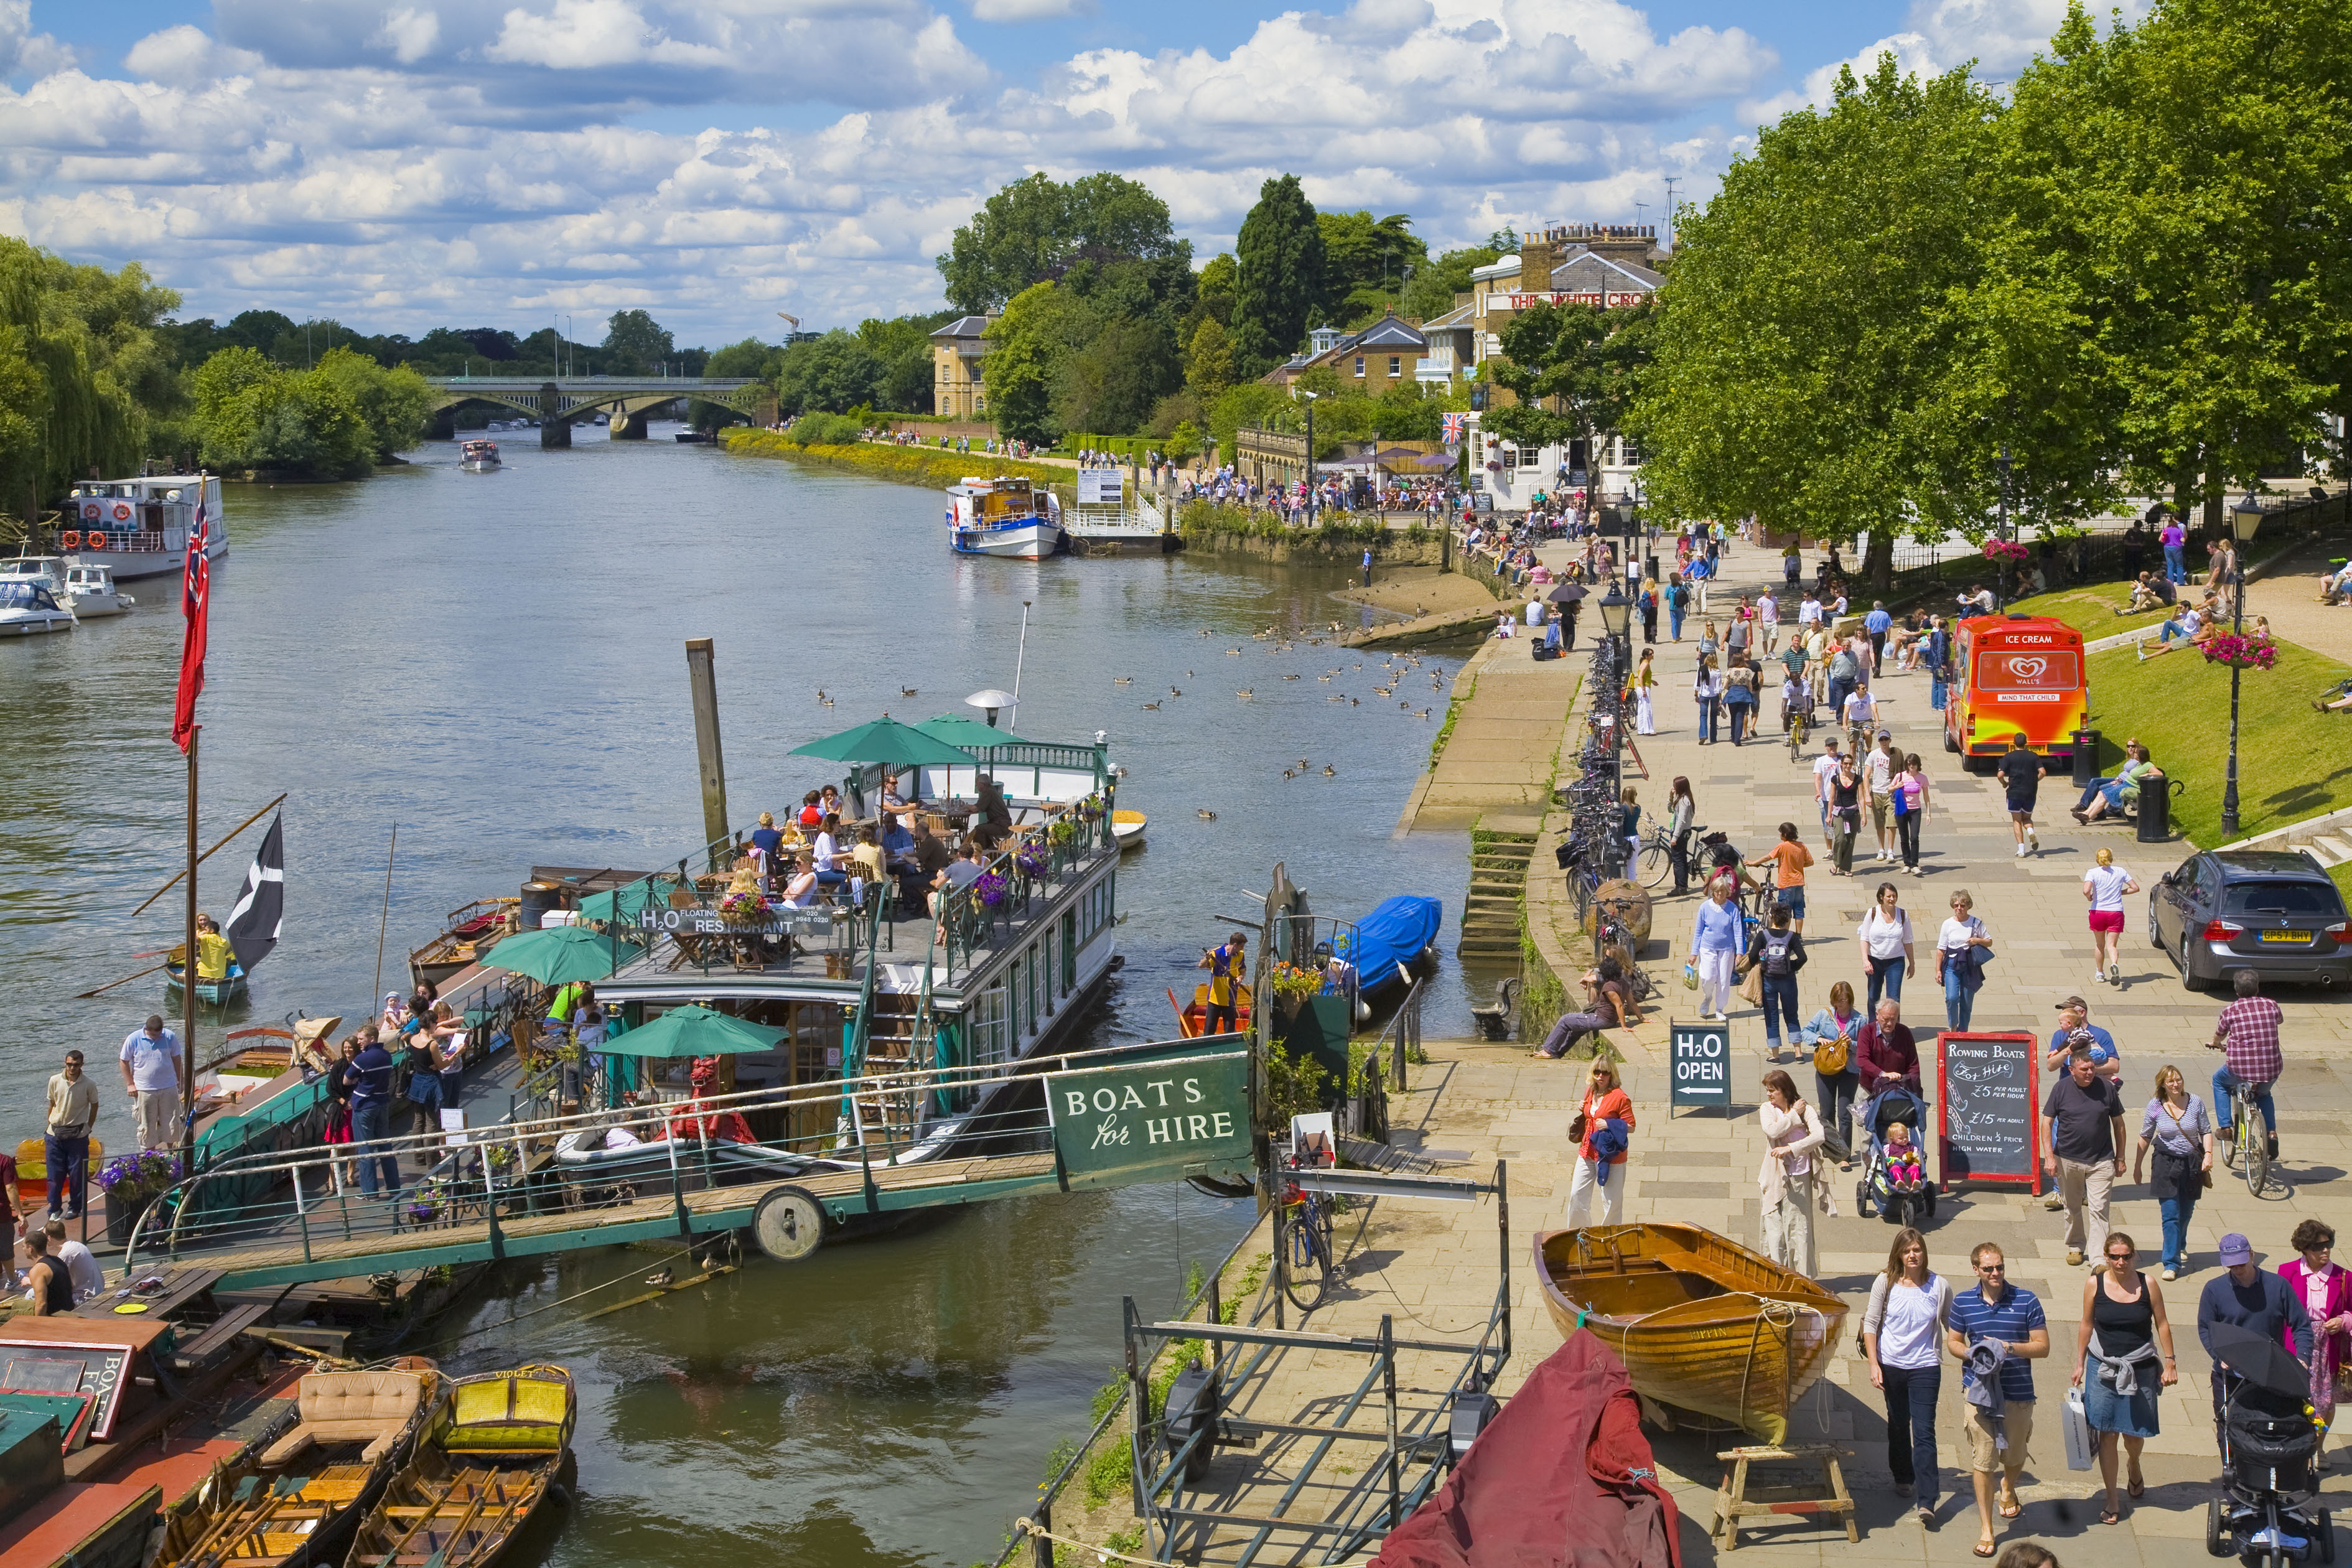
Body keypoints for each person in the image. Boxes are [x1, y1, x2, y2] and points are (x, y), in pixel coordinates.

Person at [1947, 1241, 2051, 1556]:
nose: (1995, 1273)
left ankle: (2008, 1487)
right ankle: (1987, 1529)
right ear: (1976, 1269)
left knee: (2015, 1457)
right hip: (1979, 1395)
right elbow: (1953, 1341)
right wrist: (1970, 1352)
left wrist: (2008, 1347)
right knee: (1983, 1462)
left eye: (2000, 1267)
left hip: (2018, 1394)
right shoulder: (1963, 1302)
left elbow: (2043, 1346)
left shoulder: (2027, 1300)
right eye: (1989, 1268)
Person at [2071, 1231, 2177, 1523]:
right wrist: (2079, 1362)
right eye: (2115, 1257)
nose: (2121, 1262)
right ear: (2106, 1257)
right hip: (2103, 1367)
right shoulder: (2094, 1284)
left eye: (2126, 1256)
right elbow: (2086, 1324)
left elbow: (2163, 1324)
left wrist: (2170, 1362)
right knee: (2107, 1433)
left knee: (2133, 1435)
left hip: (2140, 1366)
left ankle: (2134, 1463)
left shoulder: (2148, 1283)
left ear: (2134, 1255)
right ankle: (2112, 1499)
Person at [2198, 1232, 2314, 1461]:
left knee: (2271, 1429)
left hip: (2271, 1374)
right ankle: (2233, 1482)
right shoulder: (2214, 1289)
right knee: (2231, 1428)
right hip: (2231, 1376)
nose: (2238, 1269)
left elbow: (2301, 1325)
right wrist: (2218, 1354)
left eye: (2241, 1263)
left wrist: (2303, 1357)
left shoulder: (2278, 1286)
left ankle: (2269, 1480)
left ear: (2252, 1255)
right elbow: (2205, 1329)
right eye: (2231, 1266)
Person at [1863, 1228, 1951, 1526]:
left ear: (1924, 1252)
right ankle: (1902, 1475)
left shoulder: (1939, 1286)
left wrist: (1971, 1352)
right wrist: (1874, 1364)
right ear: (1899, 1255)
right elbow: (1871, 1325)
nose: (1913, 1255)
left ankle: (1927, 1500)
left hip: (1925, 1366)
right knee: (1899, 1423)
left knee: (1924, 1432)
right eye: (1907, 1251)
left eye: (1917, 1250)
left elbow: (1952, 1324)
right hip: (1892, 1365)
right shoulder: (1884, 1283)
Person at [2279, 1220, 2352, 1470]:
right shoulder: (2287, 1272)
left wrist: (2343, 1320)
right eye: (2318, 1247)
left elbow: (2351, 1311)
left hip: (2329, 1346)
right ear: (2304, 1249)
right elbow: (2280, 1311)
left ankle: (2318, 1445)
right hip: (2297, 1343)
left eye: (2328, 1245)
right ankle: (2297, 1445)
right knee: (2297, 1398)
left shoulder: (2344, 1277)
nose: (2326, 1251)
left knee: (2327, 1400)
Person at [2045, 1043, 2127, 1267]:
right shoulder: (2061, 1089)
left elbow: (2119, 1124)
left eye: (2091, 1068)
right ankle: (2076, 1245)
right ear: (2072, 1070)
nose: (2090, 1072)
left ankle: (2099, 1258)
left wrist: (2120, 1158)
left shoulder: (2107, 1089)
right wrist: (2050, 1157)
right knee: (2072, 1206)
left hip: (2101, 1160)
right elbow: (2047, 1123)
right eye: (2084, 1069)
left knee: (2099, 1209)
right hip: (2068, 1159)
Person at [2134, 1065, 2213, 1280]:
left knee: (2186, 1212)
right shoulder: (2156, 1106)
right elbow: (2146, 1136)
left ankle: (2180, 1243)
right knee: (2170, 1215)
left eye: (2178, 1079)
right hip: (2165, 1162)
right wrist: (2137, 1166)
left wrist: (2208, 1155)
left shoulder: (2195, 1102)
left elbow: (2205, 1130)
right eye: (2170, 1081)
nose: (2176, 1084)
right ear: (2163, 1085)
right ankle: (2171, 1262)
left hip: (2191, 1163)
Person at [2208, 969, 2283, 1159]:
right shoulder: (2271, 1005)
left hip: (2240, 1066)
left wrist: (2216, 1044)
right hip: (2271, 1066)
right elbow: (2279, 1020)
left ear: (2236, 990)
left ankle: (2225, 1127)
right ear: (2258, 988)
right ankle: (2271, 1133)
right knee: (2264, 1094)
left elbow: (2220, 1034)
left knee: (2220, 1082)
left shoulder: (2230, 1011)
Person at [1758, 1070, 1827, 1276]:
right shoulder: (1767, 1109)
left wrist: (1791, 1148)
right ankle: (1776, 1277)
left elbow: (1819, 1136)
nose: (1769, 1095)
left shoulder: (1806, 1110)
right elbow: (1772, 1130)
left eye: (1773, 1091)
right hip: (1774, 1176)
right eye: (1767, 1091)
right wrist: (1793, 1115)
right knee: (1775, 1229)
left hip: (1799, 1175)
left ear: (1785, 1091)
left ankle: (1802, 1279)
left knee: (1799, 1229)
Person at [1801, 979, 1865, 1164]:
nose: (1839, 1004)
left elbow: (1864, 1047)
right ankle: (1830, 1149)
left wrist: (1850, 1044)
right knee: (1826, 1112)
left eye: (1843, 1001)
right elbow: (1805, 1032)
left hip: (1848, 1070)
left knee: (1845, 1114)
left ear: (1850, 1000)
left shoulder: (1860, 1020)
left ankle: (1844, 1154)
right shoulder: (1824, 1015)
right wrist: (1819, 1038)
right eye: (1837, 1001)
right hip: (1826, 1068)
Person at [1566, 1060, 1635, 1227]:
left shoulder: (1620, 1097)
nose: (1600, 1076)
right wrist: (1582, 1108)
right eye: (1597, 1071)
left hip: (1610, 1155)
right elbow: (1589, 1114)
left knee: (1612, 1202)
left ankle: (1610, 1238)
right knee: (1577, 1195)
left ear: (1612, 1074)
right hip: (1588, 1149)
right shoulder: (1590, 1091)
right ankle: (1579, 1234)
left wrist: (1610, 1124)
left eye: (1605, 1072)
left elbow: (1631, 1126)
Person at [1534, 958, 1638, 1057]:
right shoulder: (1623, 983)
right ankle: (1557, 1054)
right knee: (1576, 1029)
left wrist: (1624, 1026)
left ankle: (1548, 1050)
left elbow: (1619, 1005)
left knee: (1565, 1020)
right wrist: (1642, 1018)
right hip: (1608, 1019)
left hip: (1601, 1019)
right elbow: (1632, 1003)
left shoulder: (1609, 987)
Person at [1746, 904, 1806, 1063]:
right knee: (1792, 1015)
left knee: (1772, 1016)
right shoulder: (1791, 936)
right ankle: (1798, 1053)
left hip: (1769, 981)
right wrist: (1790, 967)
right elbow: (1802, 958)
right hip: (1788, 981)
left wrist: (1761, 964)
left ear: (1771, 917)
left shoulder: (1763, 936)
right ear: (1786, 920)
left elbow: (1752, 957)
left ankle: (1775, 1055)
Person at [349, 1027, 400, 1200]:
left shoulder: (362, 1059)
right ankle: (394, 1188)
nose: (358, 1041)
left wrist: (359, 1079)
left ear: (372, 1038)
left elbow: (346, 1079)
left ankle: (370, 1192)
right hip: (382, 1104)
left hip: (364, 1106)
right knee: (385, 1147)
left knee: (365, 1150)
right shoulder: (386, 1055)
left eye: (362, 1038)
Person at [44, 1048, 95, 1221]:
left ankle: (75, 1207)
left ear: (82, 1065)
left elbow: (94, 1106)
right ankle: (55, 1209)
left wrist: (88, 1127)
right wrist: (48, 1126)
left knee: (77, 1175)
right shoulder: (55, 1080)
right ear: (65, 1064)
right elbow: (52, 1103)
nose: (72, 1068)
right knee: (54, 1175)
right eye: (69, 1064)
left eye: (75, 1065)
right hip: (54, 1134)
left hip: (78, 1135)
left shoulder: (88, 1084)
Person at [1855, 1000, 1921, 1131]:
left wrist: (1913, 1090)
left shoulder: (1905, 1032)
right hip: (1869, 1090)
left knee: (1896, 1133)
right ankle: (1868, 1153)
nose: (1890, 1023)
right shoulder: (1867, 1031)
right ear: (1877, 1015)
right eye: (1886, 1019)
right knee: (1867, 1135)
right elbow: (1862, 1060)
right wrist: (1882, 1074)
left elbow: (1914, 1065)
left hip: (1897, 1093)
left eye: (1893, 1019)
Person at [119, 1014, 182, 1152]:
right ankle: (149, 1157)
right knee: (147, 1125)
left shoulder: (169, 1036)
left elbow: (177, 1058)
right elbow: (124, 1061)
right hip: (144, 1089)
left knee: (172, 1122)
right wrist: (130, 1084)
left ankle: (174, 1154)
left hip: (168, 1086)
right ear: (146, 1028)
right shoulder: (134, 1038)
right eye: (151, 1034)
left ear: (162, 1030)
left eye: (157, 1034)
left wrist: (180, 1080)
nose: (154, 1037)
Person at [2081, 848, 2139, 987]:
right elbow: (2135, 888)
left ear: (2097, 858)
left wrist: (2090, 897)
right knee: (2111, 945)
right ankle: (2114, 964)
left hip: (2098, 912)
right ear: (2111, 858)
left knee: (2100, 945)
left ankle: (2100, 973)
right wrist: (2121, 893)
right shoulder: (2120, 871)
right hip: (2116, 912)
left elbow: (2086, 890)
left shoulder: (2092, 872)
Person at [1938, 891, 1993, 1032]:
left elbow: (1989, 942)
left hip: (1970, 965)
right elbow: (1941, 949)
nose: (1959, 908)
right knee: (1952, 998)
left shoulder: (1976, 922)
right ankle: (1953, 1027)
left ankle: (1963, 1031)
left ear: (1968, 906)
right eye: (1956, 905)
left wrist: (1977, 940)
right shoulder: (1948, 924)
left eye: (1962, 905)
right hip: (1952, 964)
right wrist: (1938, 970)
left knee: (1967, 1002)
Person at [1859, 881, 1916, 1012]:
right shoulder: (1872, 913)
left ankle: (1894, 1029)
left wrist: (1912, 963)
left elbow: (1908, 941)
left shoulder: (1902, 915)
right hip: (1875, 960)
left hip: (1895, 962)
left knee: (1894, 999)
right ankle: (1873, 1027)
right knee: (1873, 996)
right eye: (1889, 896)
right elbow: (1864, 939)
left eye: (1894, 896)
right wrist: (1865, 960)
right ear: (1881, 898)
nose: (1892, 899)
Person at [1689, 877, 1742, 1022]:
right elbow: (1698, 931)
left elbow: (1738, 931)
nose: (1720, 895)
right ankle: (1708, 997)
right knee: (1708, 977)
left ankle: (1720, 1009)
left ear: (1727, 892)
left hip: (1726, 949)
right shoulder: (1705, 908)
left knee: (1724, 980)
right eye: (1717, 892)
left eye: (1723, 892)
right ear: (1713, 892)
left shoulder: (1732, 909)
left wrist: (1740, 952)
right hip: (1707, 947)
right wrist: (1694, 953)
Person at [1750, 821, 1814, 934]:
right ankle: (1798, 935)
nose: (1780, 835)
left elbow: (1768, 857)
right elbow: (1810, 862)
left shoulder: (1782, 846)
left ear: (1785, 835)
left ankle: (1785, 934)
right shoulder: (1802, 846)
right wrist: (1799, 865)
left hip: (1786, 883)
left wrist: (1753, 863)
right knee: (1799, 911)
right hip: (1799, 883)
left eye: (1781, 833)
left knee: (1786, 911)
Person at [2073, 742, 2155, 823]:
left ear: (2141, 755)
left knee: (2104, 796)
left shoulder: (2148, 765)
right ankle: (2086, 813)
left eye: (2136, 752)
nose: (2134, 753)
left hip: (2128, 787)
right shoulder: (2140, 764)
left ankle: (2087, 818)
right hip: (2124, 784)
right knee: (2101, 793)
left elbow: (2160, 773)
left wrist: (2147, 774)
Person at [1997, 734, 2045, 857]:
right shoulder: (2033, 756)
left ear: (2014, 743)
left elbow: (2000, 775)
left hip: (2014, 792)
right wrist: (2035, 780)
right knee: (2027, 818)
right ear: (2026, 743)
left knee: (2017, 820)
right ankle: (2030, 831)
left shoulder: (2008, 757)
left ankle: (2021, 849)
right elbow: (2043, 772)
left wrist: (2004, 784)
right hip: (2030, 792)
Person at [39, 1218, 101, 1305]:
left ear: (49, 1238)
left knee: (37, 1296)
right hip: (98, 1291)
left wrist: (32, 1281)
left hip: (86, 1298)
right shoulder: (78, 1245)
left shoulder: (66, 1253)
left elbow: (54, 1281)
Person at [1198, 931, 1248, 1035]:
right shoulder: (1216, 953)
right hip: (1215, 999)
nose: (1242, 949)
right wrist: (1207, 958)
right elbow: (1201, 966)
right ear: (1235, 945)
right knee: (1209, 1031)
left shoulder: (1240, 955)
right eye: (1241, 946)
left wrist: (1240, 977)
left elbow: (1243, 972)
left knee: (1229, 1031)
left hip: (1231, 999)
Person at [1894, 752, 1931, 875]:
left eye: (1914, 764)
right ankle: (1907, 863)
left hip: (1916, 810)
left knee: (1914, 837)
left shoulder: (1923, 778)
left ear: (1918, 765)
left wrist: (1929, 813)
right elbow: (1889, 789)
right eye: (1909, 764)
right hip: (1902, 810)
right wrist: (1897, 786)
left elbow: (1926, 796)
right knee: (1904, 838)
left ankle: (1915, 864)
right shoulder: (1900, 776)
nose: (1912, 767)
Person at [21, 1228, 71, 1317]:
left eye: (24, 1246)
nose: (23, 1249)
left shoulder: (37, 1270)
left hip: (54, 1315)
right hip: (67, 1308)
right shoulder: (57, 1260)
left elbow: (42, 1304)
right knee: (16, 1305)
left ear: (31, 1249)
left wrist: (38, 1326)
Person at [1665, 776, 1696, 896]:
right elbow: (1669, 809)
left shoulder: (1684, 801)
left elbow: (1681, 821)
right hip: (1683, 832)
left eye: (1675, 786)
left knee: (1678, 861)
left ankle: (1681, 887)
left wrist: (1675, 837)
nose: (1673, 788)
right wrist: (1671, 796)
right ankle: (1682, 885)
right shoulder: (1681, 798)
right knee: (1681, 859)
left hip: (1681, 833)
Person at [1722, 654, 1758, 745]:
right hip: (1744, 695)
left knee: (1733, 717)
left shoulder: (1730, 671)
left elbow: (1725, 685)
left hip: (1732, 694)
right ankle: (1737, 738)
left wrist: (1730, 689)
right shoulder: (1748, 671)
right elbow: (1750, 685)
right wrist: (1750, 694)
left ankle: (1733, 737)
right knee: (1740, 717)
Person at [1883, 1121, 1925, 1187]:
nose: (1905, 1140)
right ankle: (1901, 1183)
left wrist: (1917, 1163)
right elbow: (1885, 1159)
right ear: (1892, 1139)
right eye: (1901, 1138)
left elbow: (1917, 1156)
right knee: (1895, 1168)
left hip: (1909, 1166)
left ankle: (1916, 1182)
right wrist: (1887, 1163)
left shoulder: (1912, 1147)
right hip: (1895, 1167)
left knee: (1914, 1168)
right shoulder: (1888, 1148)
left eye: (1906, 1137)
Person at [1692, 653, 1722, 744]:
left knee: (1703, 716)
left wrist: (1696, 695)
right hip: (1714, 696)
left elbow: (1698, 684)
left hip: (1704, 695)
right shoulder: (1717, 671)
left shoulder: (1701, 669)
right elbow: (1719, 687)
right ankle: (1713, 738)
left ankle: (1703, 735)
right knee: (1713, 716)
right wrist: (1720, 699)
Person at [1631, 648, 1656, 734]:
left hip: (1641, 687)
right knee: (1647, 709)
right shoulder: (1646, 664)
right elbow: (1640, 676)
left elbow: (1644, 676)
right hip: (1644, 688)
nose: (1653, 655)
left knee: (1642, 709)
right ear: (1646, 656)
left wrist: (1651, 681)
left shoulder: (1644, 663)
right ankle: (1648, 729)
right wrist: (1644, 689)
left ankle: (1641, 729)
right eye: (1651, 654)